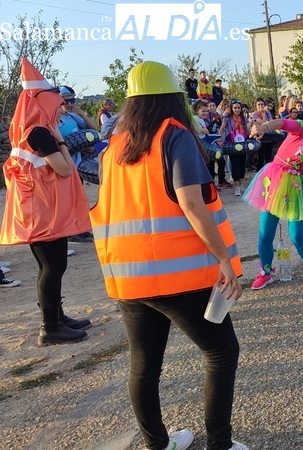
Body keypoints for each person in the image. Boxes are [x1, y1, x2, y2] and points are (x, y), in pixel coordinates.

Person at [89, 61, 247, 450]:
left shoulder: (113, 149)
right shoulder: (174, 135)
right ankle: (220, 445)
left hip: (128, 276)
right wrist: (225, 259)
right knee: (221, 352)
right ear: (175, 97)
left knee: (144, 366)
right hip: (179, 275)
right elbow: (191, 203)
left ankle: (158, 444)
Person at [0, 58, 93, 345]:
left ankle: (57, 316)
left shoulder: (24, 130)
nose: (60, 107)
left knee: (50, 266)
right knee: (53, 267)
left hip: (39, 210)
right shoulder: (40, 132)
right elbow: (65, 169)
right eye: (56, 102)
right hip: (43, 213)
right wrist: (62, 142)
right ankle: (50, 327)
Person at [245, 116, 303, 289]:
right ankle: (266, 272)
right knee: (265, 234)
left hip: (298, 191)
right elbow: (283, 123)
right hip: (275, 184)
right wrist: (264, 127)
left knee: (296, 235)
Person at [217, 100, 249, 196]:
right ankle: (236, 187)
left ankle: (241, 185)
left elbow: (247, 130)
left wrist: (250, 136)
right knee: (235, 165)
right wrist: (219, 139)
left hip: (242, 143)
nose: (237, 109)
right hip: (232, 144)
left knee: (242, 164)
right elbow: (222, 128)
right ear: (232, 108)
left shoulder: (243, 118)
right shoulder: (227, 118)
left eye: (239, 108)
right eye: (235, 108)